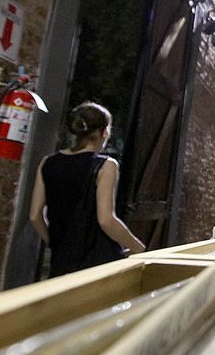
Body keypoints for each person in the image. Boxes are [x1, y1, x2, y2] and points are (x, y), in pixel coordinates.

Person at [29, 102, 145, 277]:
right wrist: (137, 247)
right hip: (99, 261)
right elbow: (106, 220)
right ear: (104, 132)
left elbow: (34, 216)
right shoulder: (106, 165)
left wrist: (57, 244)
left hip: (62, 261)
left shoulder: (48, 163)